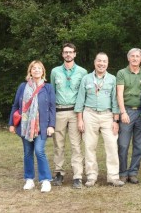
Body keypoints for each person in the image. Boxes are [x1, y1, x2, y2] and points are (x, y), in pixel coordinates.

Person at [75, 52, 124, 187]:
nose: (101, 63)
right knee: (89, 146)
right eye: (99, 61)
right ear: (95, 62)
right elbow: (80, 100)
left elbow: (115, 100)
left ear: (107, 64)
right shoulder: (86, 79)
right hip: (89, 114)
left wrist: (116, 120)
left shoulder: (112, 79)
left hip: (108, 115)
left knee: (112, 146)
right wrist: (80, 119)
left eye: (104, 61)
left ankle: (113, 177)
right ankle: (91, 176)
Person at [8, 60, 56, 193]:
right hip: (24, 126)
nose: (36, 70)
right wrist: (12, 124)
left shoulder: (48, 88)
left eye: (39, 68)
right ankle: (29, 179)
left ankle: (45, 180)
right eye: (34, 68)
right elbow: (15, 106)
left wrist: (51, 125)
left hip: (42, 126)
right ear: (30, 71)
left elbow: (52, 108)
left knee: (39, 151)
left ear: (43, 71)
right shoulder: (22, 87)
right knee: (28, 153)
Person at [50, 43, 88, 189]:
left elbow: (83, 94)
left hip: (75, 112)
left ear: (75, 54)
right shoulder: (55, 72)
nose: (68, 55)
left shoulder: (82, 72)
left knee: (76, 145)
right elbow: (52, 92)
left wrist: (80, 115)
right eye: (65, 52)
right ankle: (59, 173)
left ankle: (77, 176)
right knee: (58, 144)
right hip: (59, 111)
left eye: (71, 52)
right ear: (62, 54)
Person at [116, 48, 141, 184]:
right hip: (127, 111)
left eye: (137, 56)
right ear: (128, 58)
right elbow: (119, 94)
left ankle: (133, 172)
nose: (135, 58)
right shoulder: (122, 73)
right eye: (132, 56)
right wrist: (122, 112)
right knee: (123, 144)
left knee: (139, 145)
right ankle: (122, 172)